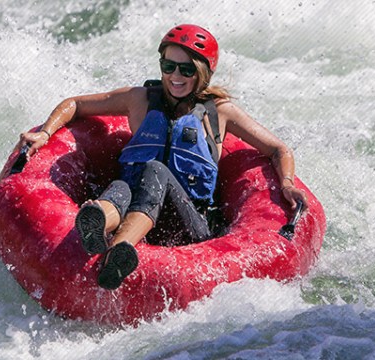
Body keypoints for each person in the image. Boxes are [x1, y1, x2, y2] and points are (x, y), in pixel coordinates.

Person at [17, 24, 308, 290]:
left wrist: (286, 183)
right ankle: (98, 223)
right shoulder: (139, 99)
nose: (175, 76)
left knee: (154, 170)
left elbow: (278, 149)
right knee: (120, 187)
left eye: (186, 69)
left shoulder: (220, 112)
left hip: (188, 224)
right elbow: (76, 104)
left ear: (202, 72)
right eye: (168, 66)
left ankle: (119, 249)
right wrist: (45, 133)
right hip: (130, 201)